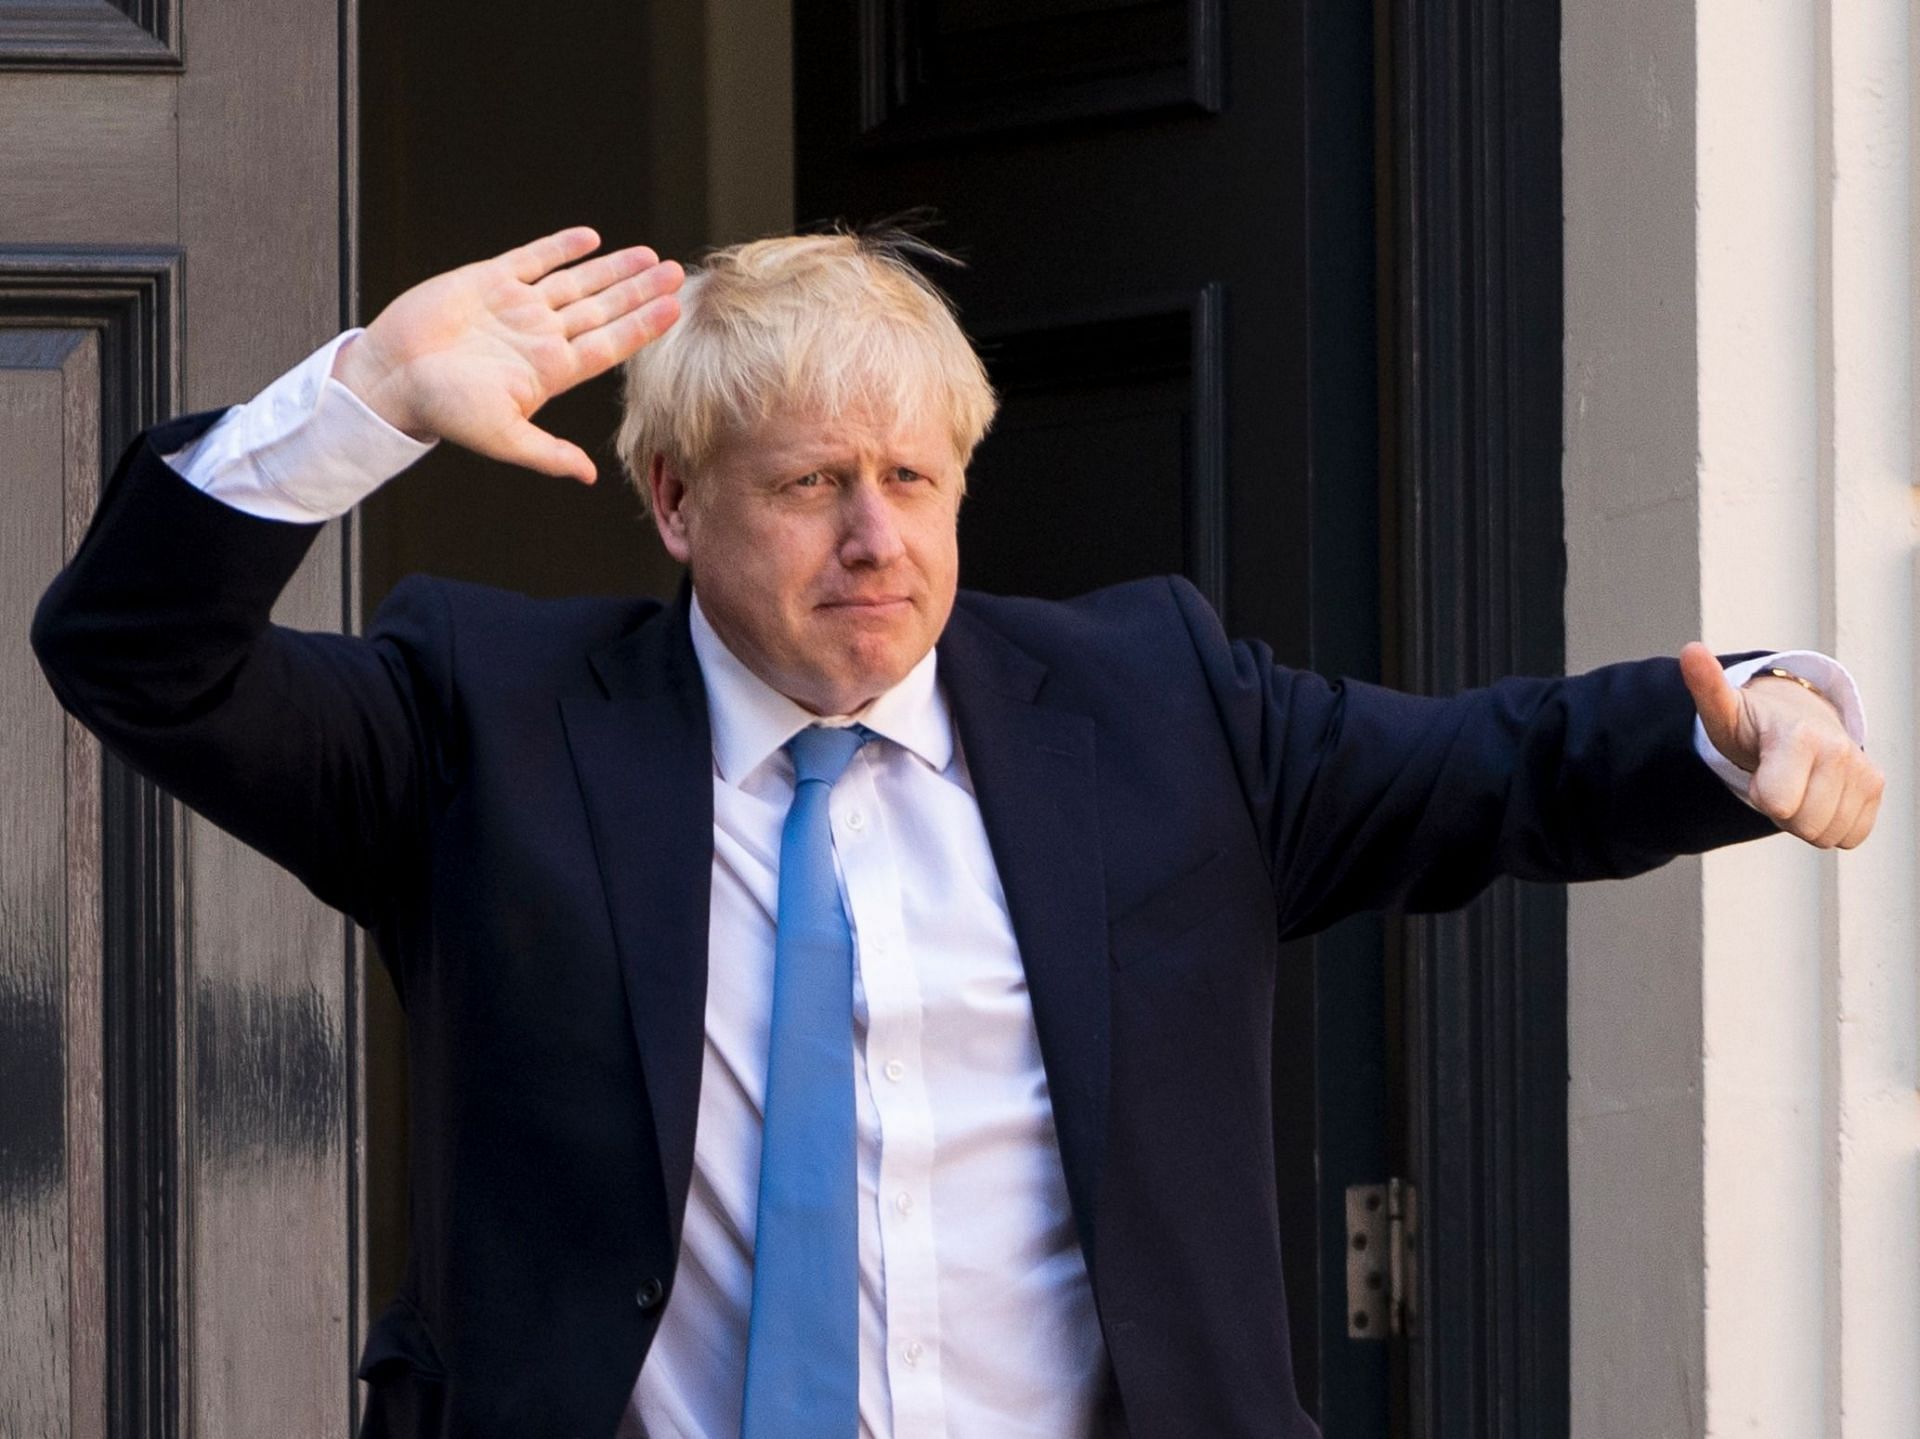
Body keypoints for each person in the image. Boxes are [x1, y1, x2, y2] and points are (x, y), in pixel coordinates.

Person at [31, 226, 1884, 1439]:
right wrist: (355, 402)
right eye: (814, 485)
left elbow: (1505, 768)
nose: (880, 540)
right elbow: (139, 656)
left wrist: (1752, 716)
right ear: (672, 503)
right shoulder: (484, 723)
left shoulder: (1158, 709)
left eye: (916, 478)